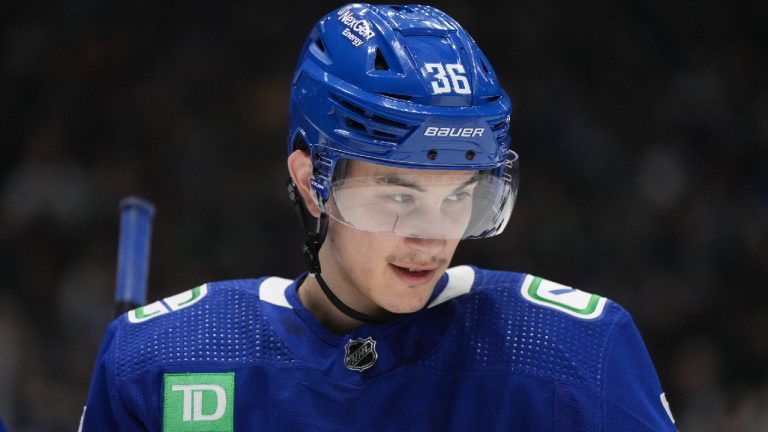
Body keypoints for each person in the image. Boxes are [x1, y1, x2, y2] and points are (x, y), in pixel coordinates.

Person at [81, 4, 677, 431]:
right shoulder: (159, 365)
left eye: (458, 195)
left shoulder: (578, 355)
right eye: (397, 194)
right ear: (310, 182)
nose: (432, 235)